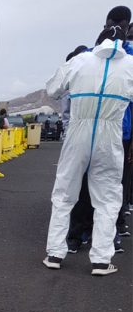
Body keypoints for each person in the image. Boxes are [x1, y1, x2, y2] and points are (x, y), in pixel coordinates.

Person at [43, 21, 133, 276]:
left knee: (64, 193)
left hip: (78, 131)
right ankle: (102, 260)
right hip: (111, 134)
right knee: (107, 197)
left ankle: (54, 253)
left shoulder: (80, 61)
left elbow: (52, 88)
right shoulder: (130, 65)